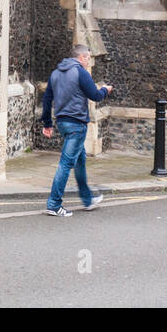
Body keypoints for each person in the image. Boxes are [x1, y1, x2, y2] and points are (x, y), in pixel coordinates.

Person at [40, 45, 111, 217]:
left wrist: (47, 124)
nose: (88, 62)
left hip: (62, 123)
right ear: (81, 58)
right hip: (77, 125)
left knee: (80, 160)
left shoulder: (55, 73)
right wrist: (105, 90)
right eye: (88, 58)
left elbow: (47, 99)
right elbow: (95, 95)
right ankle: (54, 204)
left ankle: (87, 200)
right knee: (65, 164)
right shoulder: (80, 72)